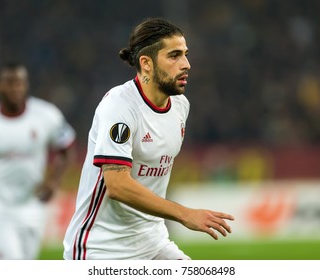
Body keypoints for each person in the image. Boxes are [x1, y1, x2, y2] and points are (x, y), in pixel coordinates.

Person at [63, 17, 234, 260]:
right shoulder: (120, 107)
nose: (186, 64)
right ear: (146, 63)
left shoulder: (180, 105)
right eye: (174, 56)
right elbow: (117, 185)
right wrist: (185, 214)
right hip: (102, 249)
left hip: (153, 242)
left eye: (185, 54)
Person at [0, 62, 76, 259]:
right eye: (9, 82)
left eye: (20, 82)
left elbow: (66, 148)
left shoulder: (46, 115)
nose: (15, 88)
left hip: (32, 204)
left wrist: (53, 181)